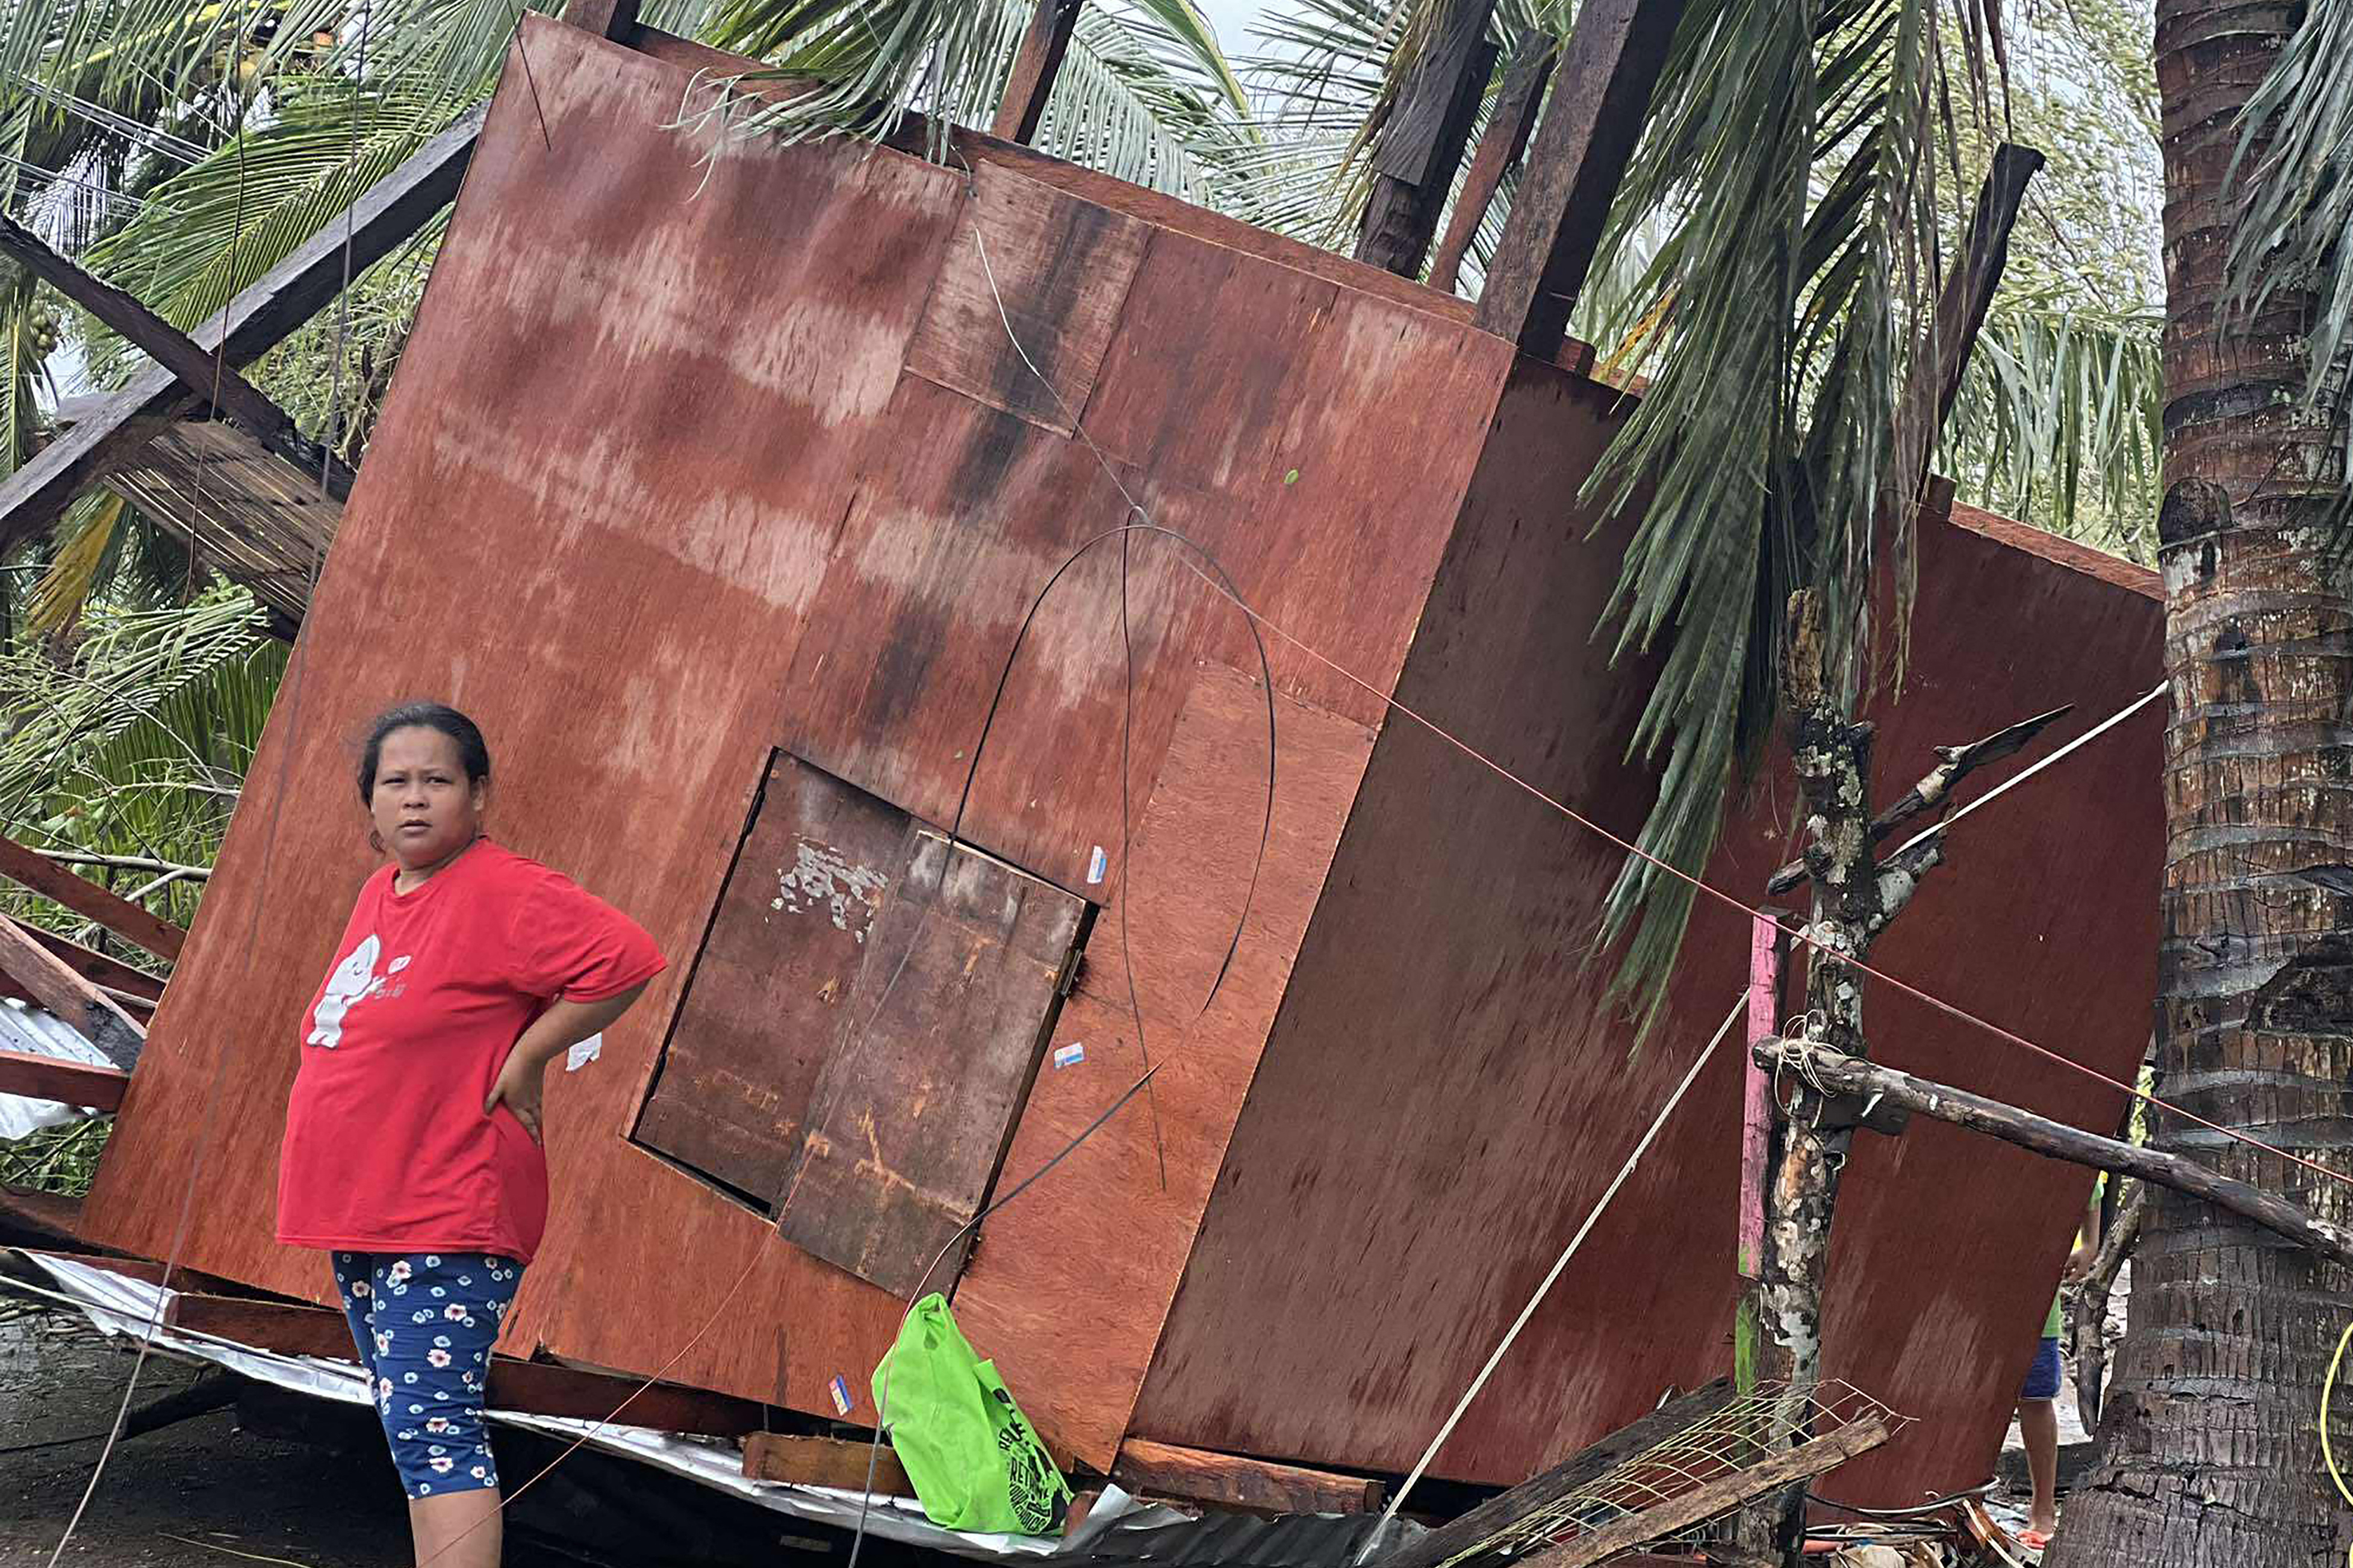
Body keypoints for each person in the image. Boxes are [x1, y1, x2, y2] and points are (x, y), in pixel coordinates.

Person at [278, 703, 664, 1568]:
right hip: (369, 1204)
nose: (414, 799)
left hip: (449, 1201)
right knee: (408, 1422)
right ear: (370, 801)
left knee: (433, 1425)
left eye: (437, 780)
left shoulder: (503, 889)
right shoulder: (382, 892)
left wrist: (529, 1054)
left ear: (478, 794)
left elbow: (626, 957)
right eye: (395, 782)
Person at [2016, 1180, 2103, 1552]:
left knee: (2035, 1398)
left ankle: (2043, 1510)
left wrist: (2091, 1244)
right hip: (1973, 1281)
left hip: (2038, 1286)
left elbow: (2088, 1180)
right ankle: (1961, 1498)